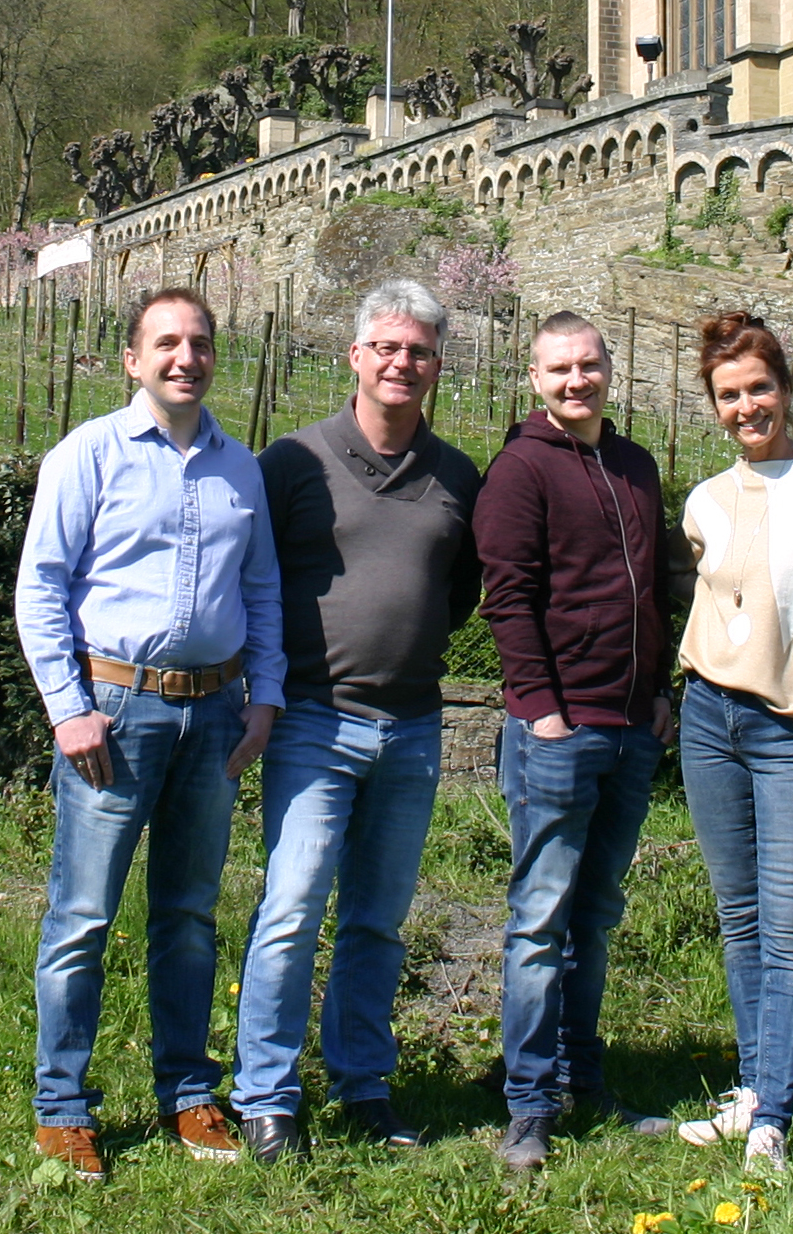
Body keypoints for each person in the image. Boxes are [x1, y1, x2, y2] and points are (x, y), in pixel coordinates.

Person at [16, 287, 286, 1182]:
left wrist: (264, 699)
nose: (186, 357)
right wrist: (67, 706)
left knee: (189, 918)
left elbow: (261, 593)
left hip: (212, 716)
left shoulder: (240, 468)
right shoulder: (88, 455)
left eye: (200, 343)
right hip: (115, 715)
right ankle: (64, 1106)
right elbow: (42, 589)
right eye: (165, 343)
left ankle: (188, 1094)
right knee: (83, 918)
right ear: (132, 359)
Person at [230, 280, 481, 1162]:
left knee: (378, 917)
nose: (400, 363)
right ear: (355, 357)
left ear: (437, 367)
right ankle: (265, 1093)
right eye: (386, 348)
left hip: (411, 725)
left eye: (417, 352)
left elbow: (459, 595)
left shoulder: (457, 475)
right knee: (294, 905)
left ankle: (363, 1080)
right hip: (312, 721)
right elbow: (252, 582)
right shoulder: (292, 462)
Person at [473, 310, 674, 1171]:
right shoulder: (520, 469)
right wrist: (541, 708)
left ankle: (582, 1077)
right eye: (559, 370)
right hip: (559, 730)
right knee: (539, 918)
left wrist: (658, 697)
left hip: (631, 727)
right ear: (535, 377)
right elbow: (508, 598)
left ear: (607, 369)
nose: (575, 382)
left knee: (594, 916)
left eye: (587, 366)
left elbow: (658, 585)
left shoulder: (635, 464)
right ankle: (527, 1103)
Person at [672, 313, 793, 1172]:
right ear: (714, 407)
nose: (745, 405)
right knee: (739, 918)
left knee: (788, 930)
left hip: (792, 731)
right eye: (729, 394)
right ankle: (753, 1088)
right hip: (708, 720)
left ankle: (774, 1121)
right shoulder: (707, 499)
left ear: (784, 389)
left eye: (758, 387)